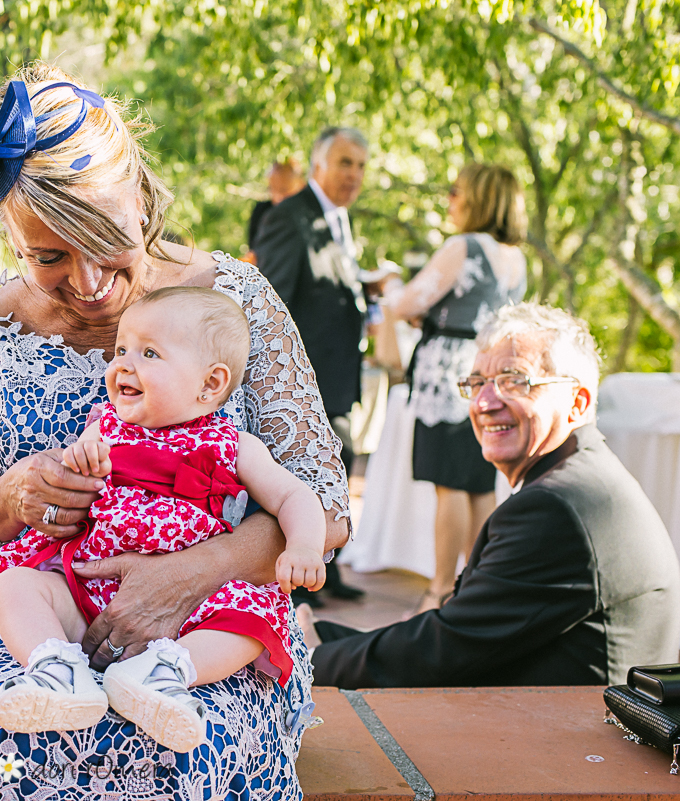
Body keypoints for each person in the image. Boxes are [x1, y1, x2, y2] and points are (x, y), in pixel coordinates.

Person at [0, 63, 351, 799]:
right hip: (39, 621)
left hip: (210, 627)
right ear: (12, 239)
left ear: (139, 197)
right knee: (26, 748)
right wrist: (6, 504)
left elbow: (325, 506)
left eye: (103, 238)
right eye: (48, 256)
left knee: (180, 749)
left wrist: (194, 571)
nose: (87, 279)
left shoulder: (236, 305)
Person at [0, 287, 327, 753]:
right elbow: (67, 474)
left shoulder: (233, 445)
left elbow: (294, 494)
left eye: (149, 353)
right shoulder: (104, 427)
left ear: (210, 384)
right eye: (121, 350)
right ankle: (56, 671)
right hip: (85, 591)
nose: (124, 364)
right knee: (16, 584)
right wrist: (77, 460)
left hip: (192, 607)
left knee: (256, 619)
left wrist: (304, 546)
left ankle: (165, 674)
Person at [301, 303, 680, 688]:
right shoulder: (581, 479)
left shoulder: (560, 506)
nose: (484, 403)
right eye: (477, 382)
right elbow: (465, 630)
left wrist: (309, 659)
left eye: (515, 380)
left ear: (577, 402)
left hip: (574, 739)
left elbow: (445, 650)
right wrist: (320, 636)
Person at [381, 164, 527, 613]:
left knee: (450, 485)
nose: (451, 199)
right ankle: (478, 588)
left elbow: (408, 303)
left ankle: (440, 591)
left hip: (446, 379)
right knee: (478, 483)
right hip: (489, 374)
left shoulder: (462, 247)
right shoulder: (516, 257)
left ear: (479, 198)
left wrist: (389, 285)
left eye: (457, 191)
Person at [253, 126, 370, 603]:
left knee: (339, 464)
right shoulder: (290, 218)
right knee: (304, 473)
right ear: (318, 165)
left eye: (361, 166)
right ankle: (298, 586)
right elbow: (271, 301)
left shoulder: (340, 220)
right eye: (345, 163)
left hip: (341, 372)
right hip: (307, 378)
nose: (354, 175)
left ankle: (328, 568)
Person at [244, 158, 305, 263]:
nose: (277, 198)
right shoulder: (262, 211)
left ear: (301, 185)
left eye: (283, 190)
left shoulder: (309, 215)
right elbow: (254, 252)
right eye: (272, 189)